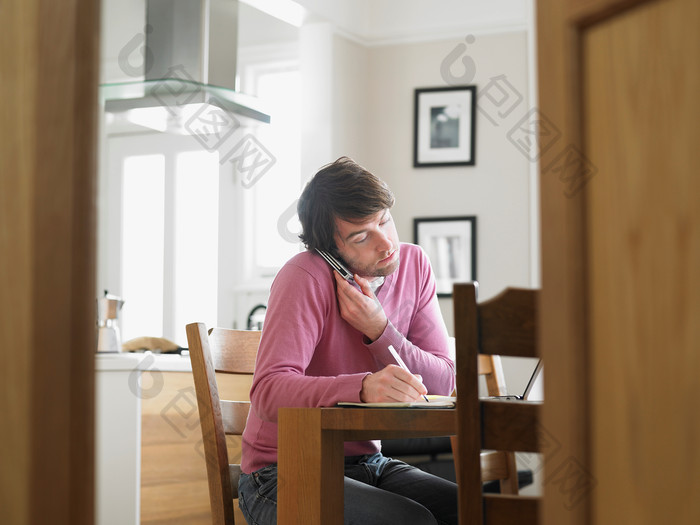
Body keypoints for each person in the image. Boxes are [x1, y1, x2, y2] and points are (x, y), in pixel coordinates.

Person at [238, 157, 458, 525]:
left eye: (384, 220)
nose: (386, 242)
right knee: (410, 521)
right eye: (361, 236)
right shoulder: (303, 276)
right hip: (281, 472)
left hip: (369, 463)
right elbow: (268, 392)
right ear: (330, 250)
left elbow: (443, 383)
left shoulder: (415, 264)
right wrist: (363, 388)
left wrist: (379, 329)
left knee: (476, 510)